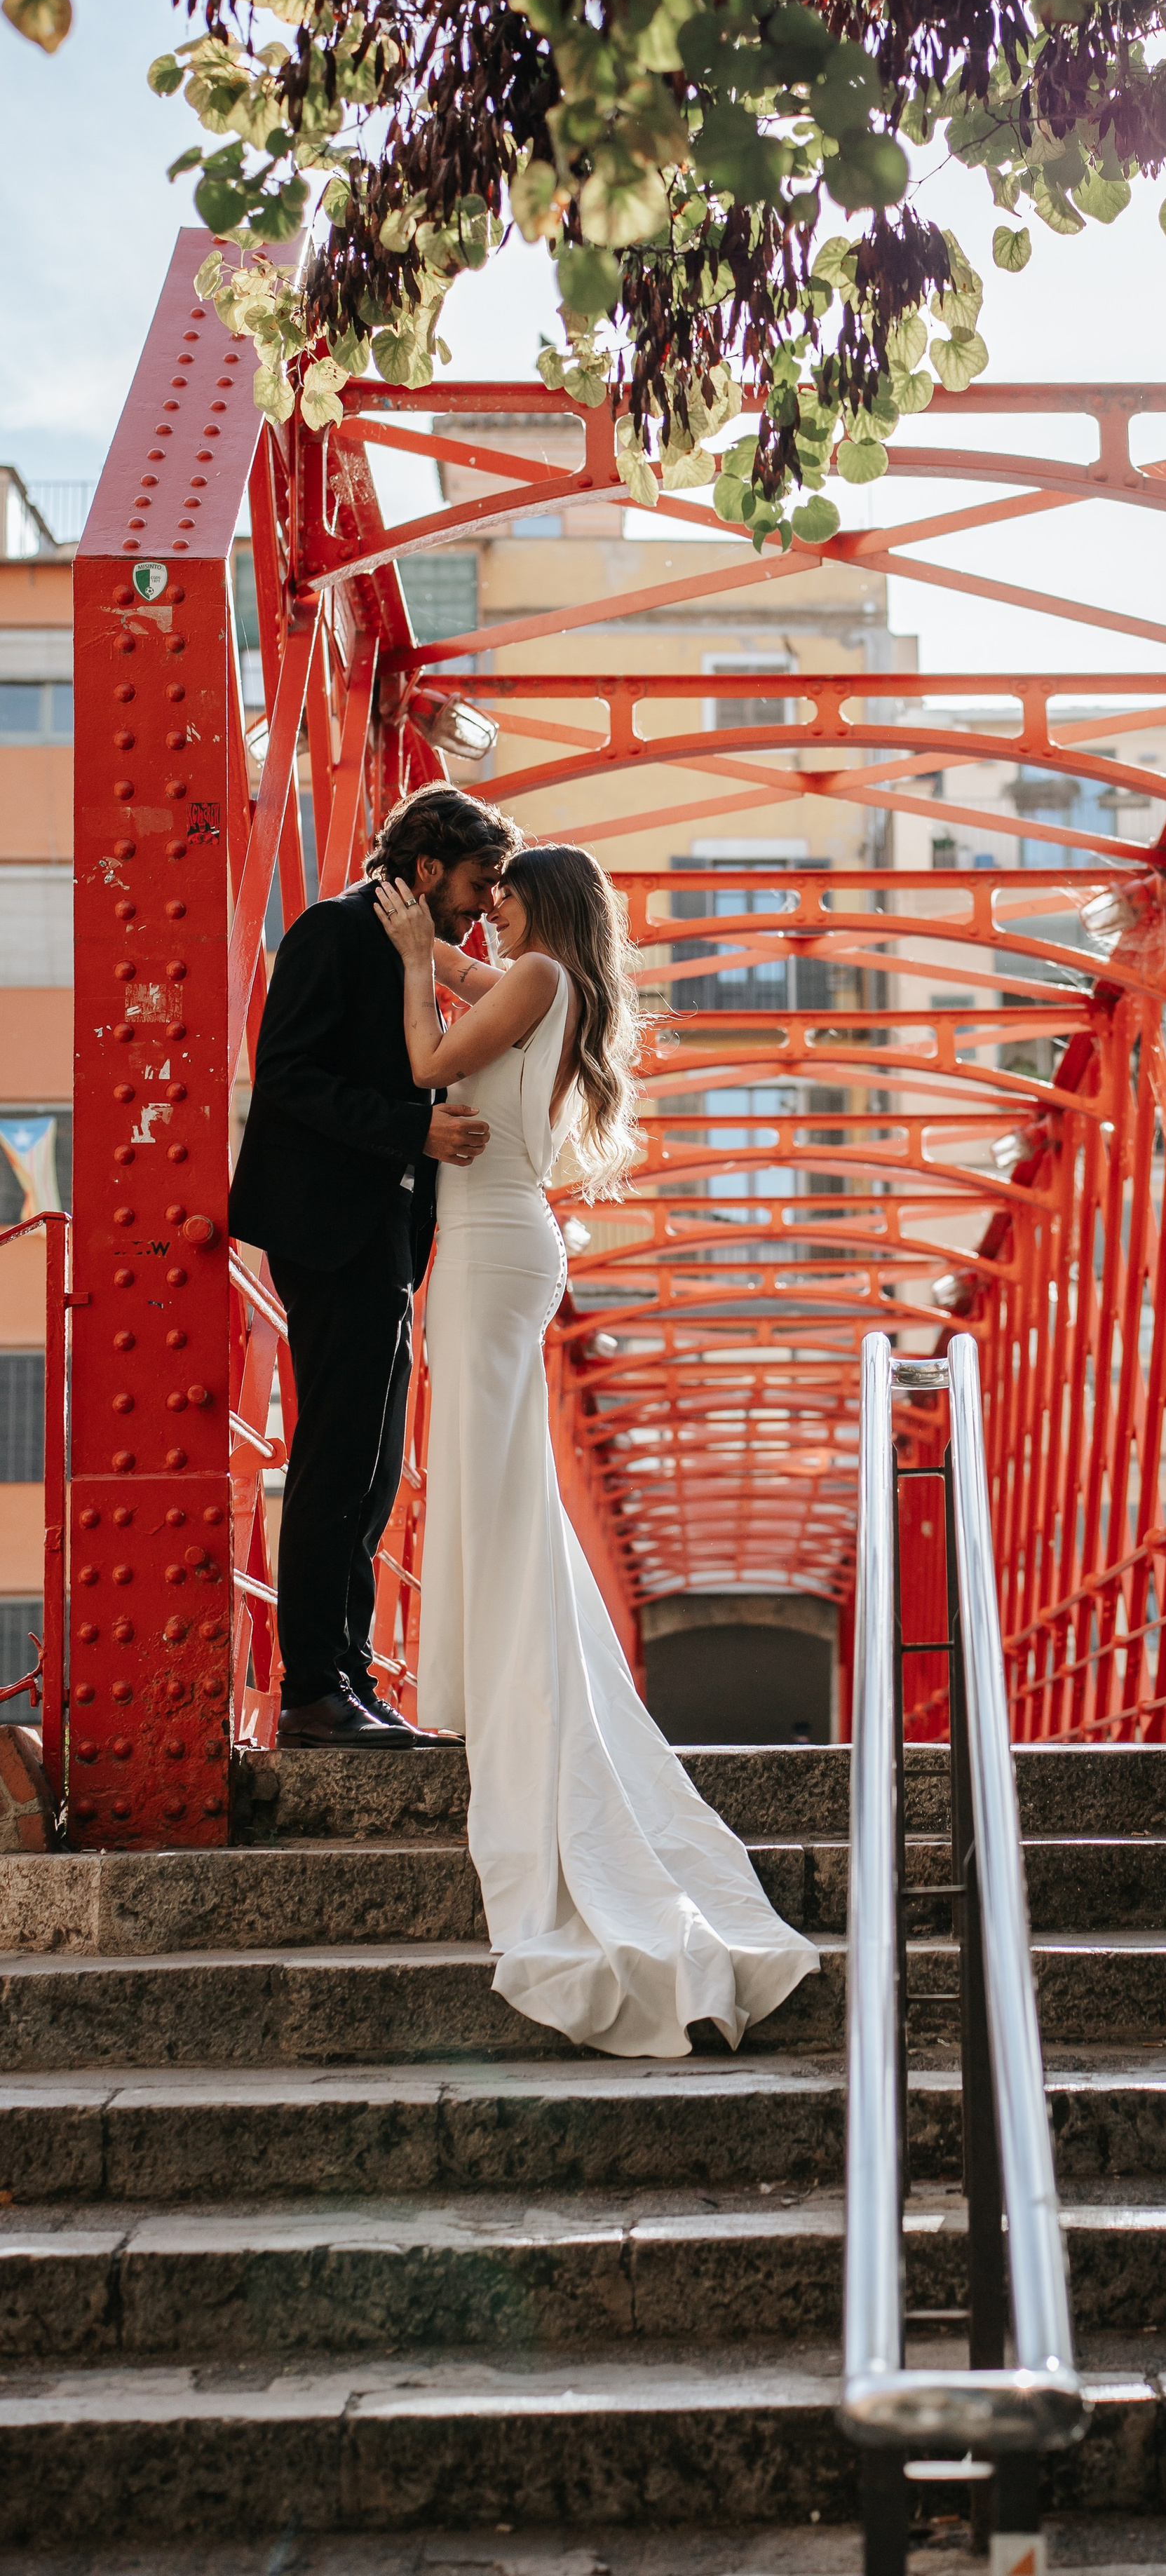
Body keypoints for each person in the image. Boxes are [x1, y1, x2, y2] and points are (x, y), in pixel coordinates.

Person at [374, 844, 820, 2057]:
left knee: (498, 1482)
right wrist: (426, 940)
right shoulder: (540, 982)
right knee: (499, 1482)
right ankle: (487, 1683)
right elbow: (475, 985)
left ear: (547, 902)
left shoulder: (535, 979)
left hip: (492, 1247)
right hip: (504, 1242)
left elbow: (427, 1062)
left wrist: (415, 957)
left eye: (504, 887)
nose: (489, 901)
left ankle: (504, 1698)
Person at [230, 782, 522, 1748]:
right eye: (480, 884)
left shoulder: (405, 946)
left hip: (381, 1239)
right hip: (332, 1234)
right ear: (429, 869)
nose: (485, 909)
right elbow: (289, 1079)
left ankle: (344, 1676)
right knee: (337, 1461)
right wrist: (416, 1130)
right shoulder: (330, 931)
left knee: (373, 1465)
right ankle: (313, 1689)